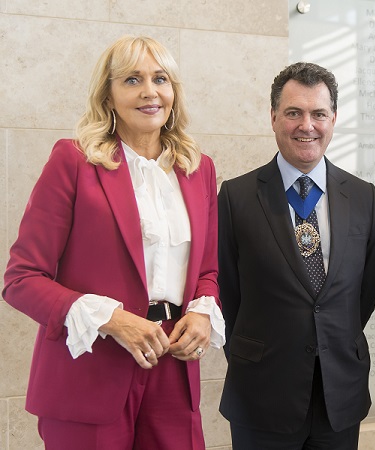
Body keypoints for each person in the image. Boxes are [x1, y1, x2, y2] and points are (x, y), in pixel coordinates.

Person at [3, 35, 225, 450]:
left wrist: (201, 314)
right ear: (108, 95)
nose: (149, 91)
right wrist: (113, 319)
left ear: (173, 91)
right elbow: (20, 280)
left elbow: (207, 271)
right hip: (89, 370)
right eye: (131, 80)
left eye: (160, 78)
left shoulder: (198, 169)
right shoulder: (72, 161)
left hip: (172, 371)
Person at [217, 62, 375, 450]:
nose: (306, 125)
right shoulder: (236, 197)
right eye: (293, 113)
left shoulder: (362, 196)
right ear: (273, 118)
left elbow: (365, 293)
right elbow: (226, 293)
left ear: (334, 119)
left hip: (338, 396)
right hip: (262, 394)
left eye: (318, 113)